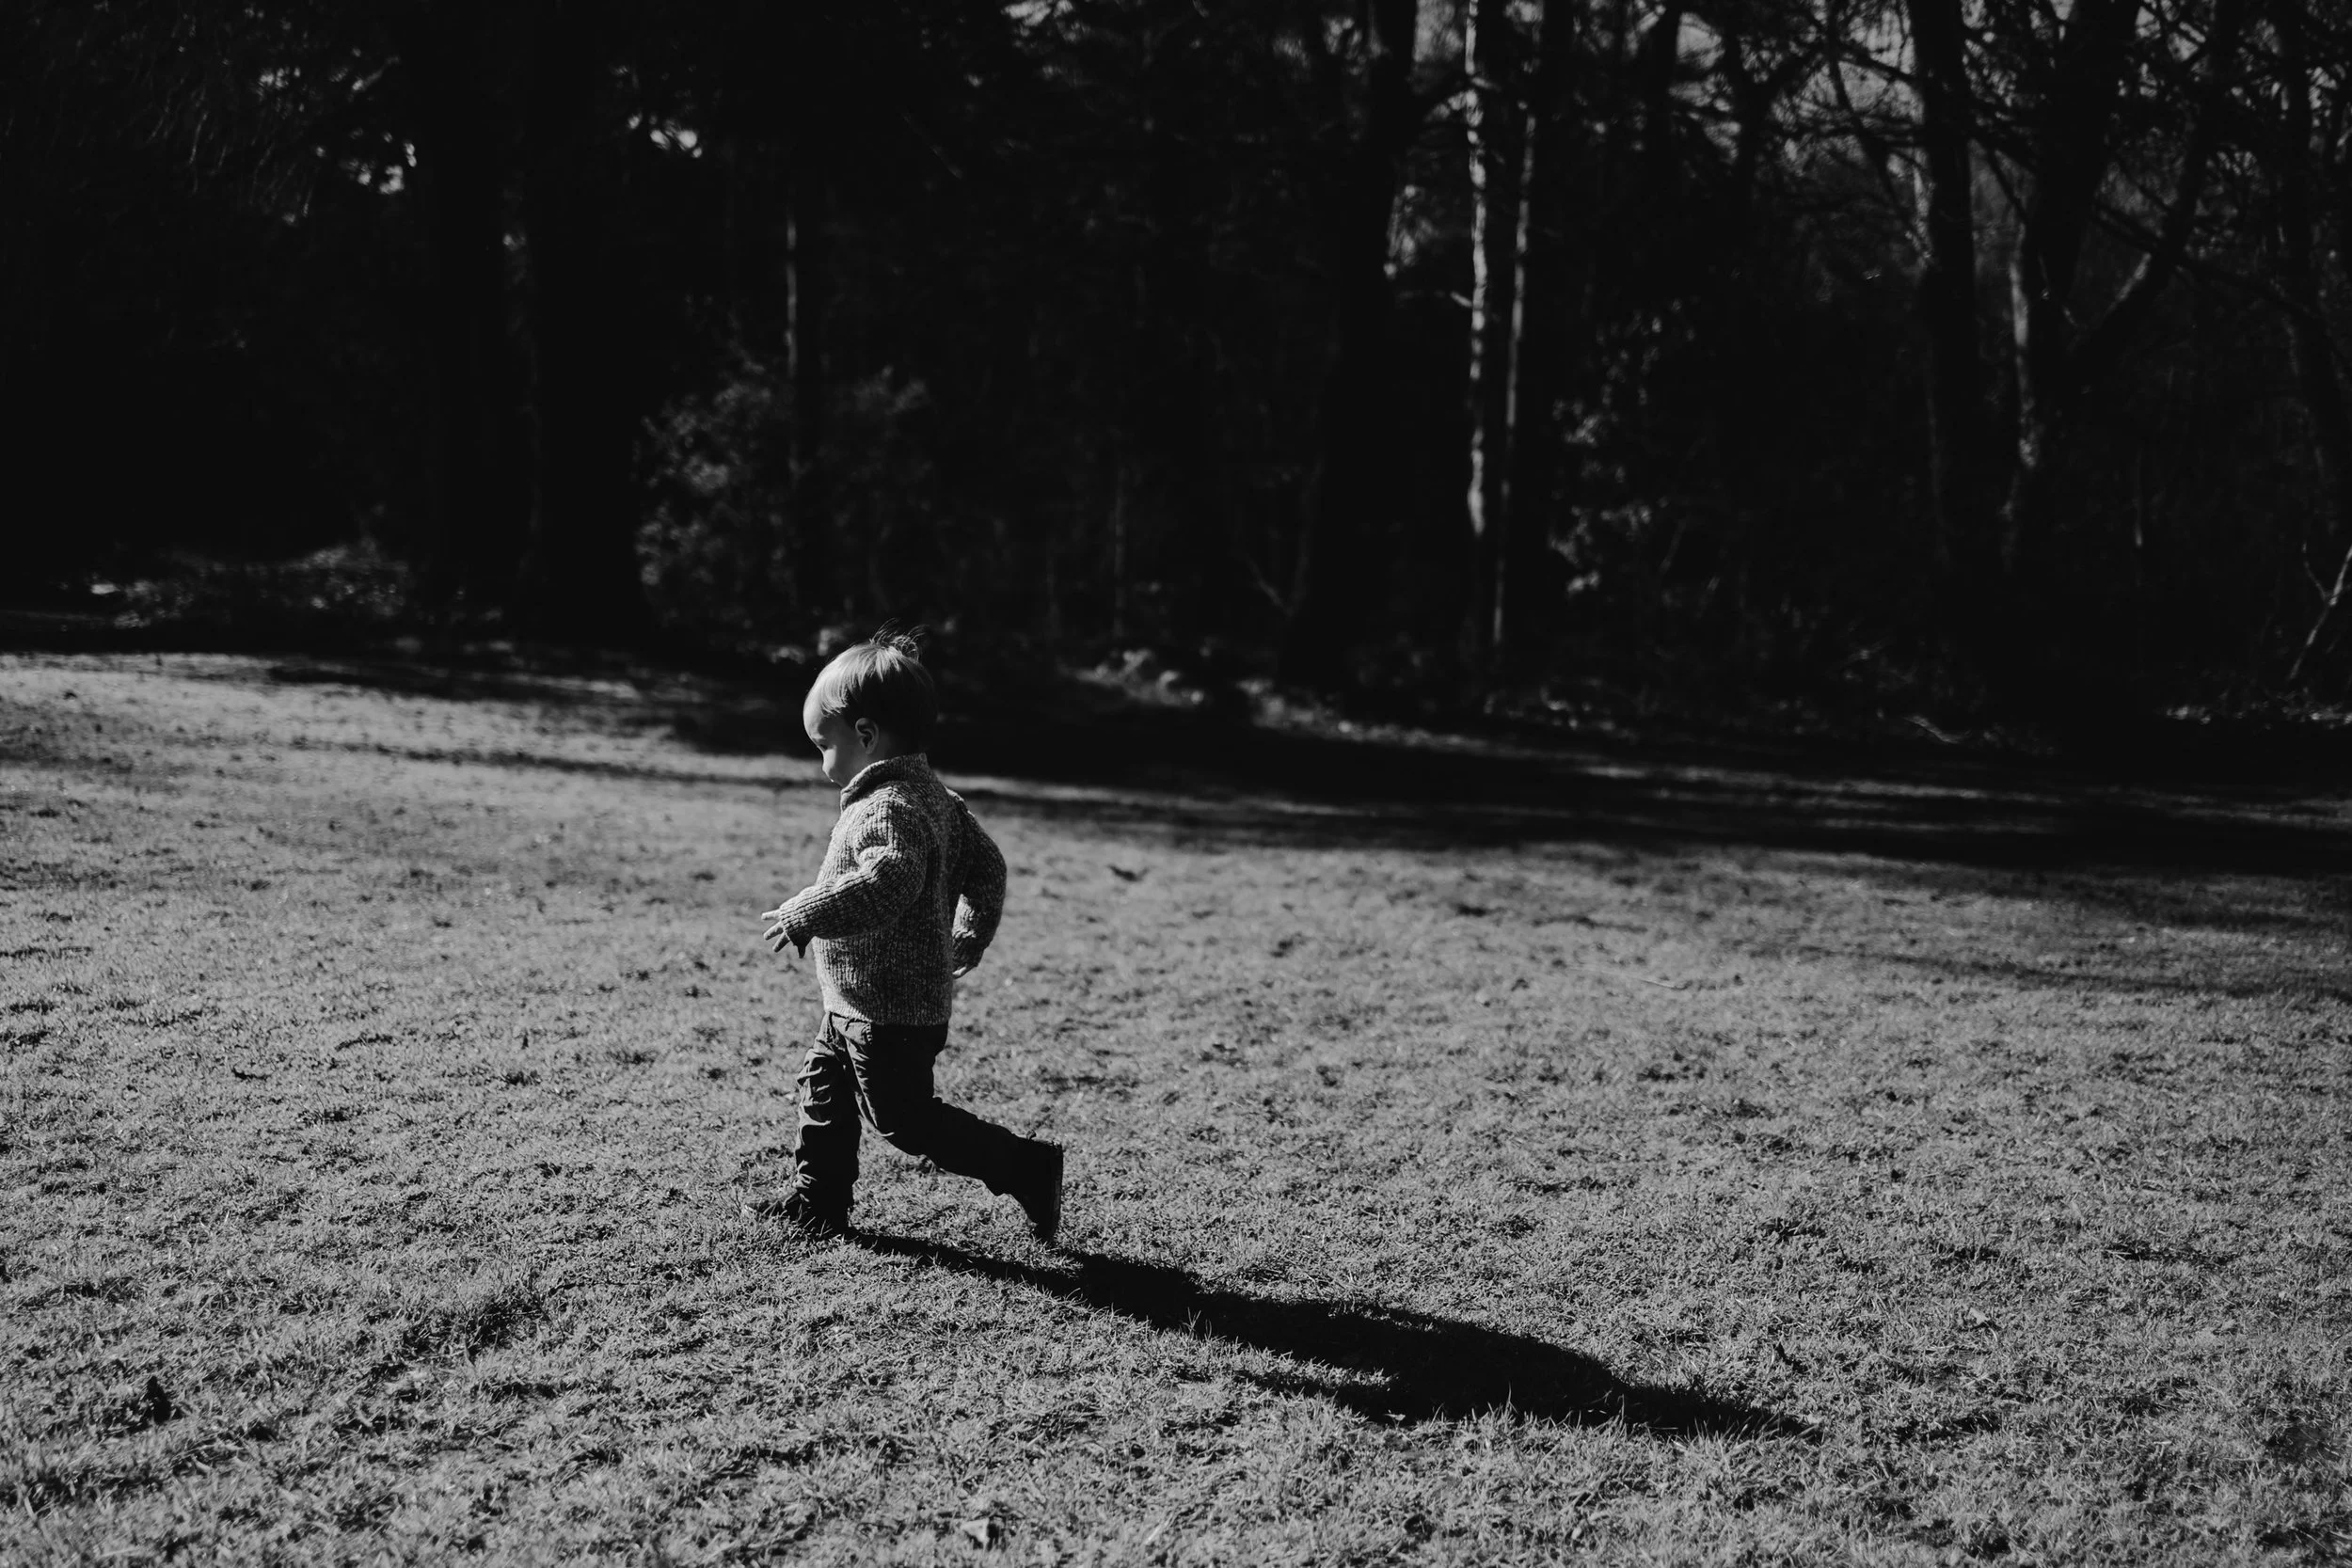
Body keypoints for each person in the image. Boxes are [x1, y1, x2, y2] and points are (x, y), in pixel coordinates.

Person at [745, 627, 1063, 1243]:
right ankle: (819, 1203)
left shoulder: (889, 807)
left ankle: (1026, 1166)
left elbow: (887, 882)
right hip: (859, 997)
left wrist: (807, 910)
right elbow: (988, 865)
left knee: (906, 1121)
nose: (821, 763)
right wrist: (971, 928)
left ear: (865, 735)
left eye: (824, 745)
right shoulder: (940, 799)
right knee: (825, 1091)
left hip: (891, 1009)